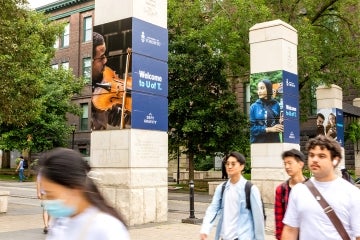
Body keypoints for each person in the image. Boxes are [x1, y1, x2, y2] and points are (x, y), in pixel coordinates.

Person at [38, 147, 130, 240]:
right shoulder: (60, 221)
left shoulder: (107, 228)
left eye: (51, 195)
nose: (47, 201)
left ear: (75, 189)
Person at [281, 135, 360, 240]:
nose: (314, 160)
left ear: (335, 160)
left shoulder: (352, 193)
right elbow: (290, 230)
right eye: (311, 155)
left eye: (321, 156)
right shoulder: (298, 190)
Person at [200, 151, 265, 240]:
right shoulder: (221, 188)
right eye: (227, 164)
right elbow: (213, 209)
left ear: (242, 166)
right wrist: (205, 229)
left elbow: (258, 219)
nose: (229, 167)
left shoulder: (250, 189)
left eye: (233, 164)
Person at [274, 149, 307, 240]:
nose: (287, 166)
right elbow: (279, 219)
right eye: (285, 164)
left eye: (290, 163)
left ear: (300, 164)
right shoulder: (281, 190)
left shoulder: (311, 188)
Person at [250, 79, 283, 143]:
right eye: (258, 89)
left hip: (274, 142)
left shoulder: (276, 104)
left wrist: (280, 123)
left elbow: (276, 123)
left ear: (268, 89)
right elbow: (251, 129)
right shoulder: (254, 107)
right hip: (258, 143)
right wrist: (269, 129)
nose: (259, 91)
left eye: (262, 88)